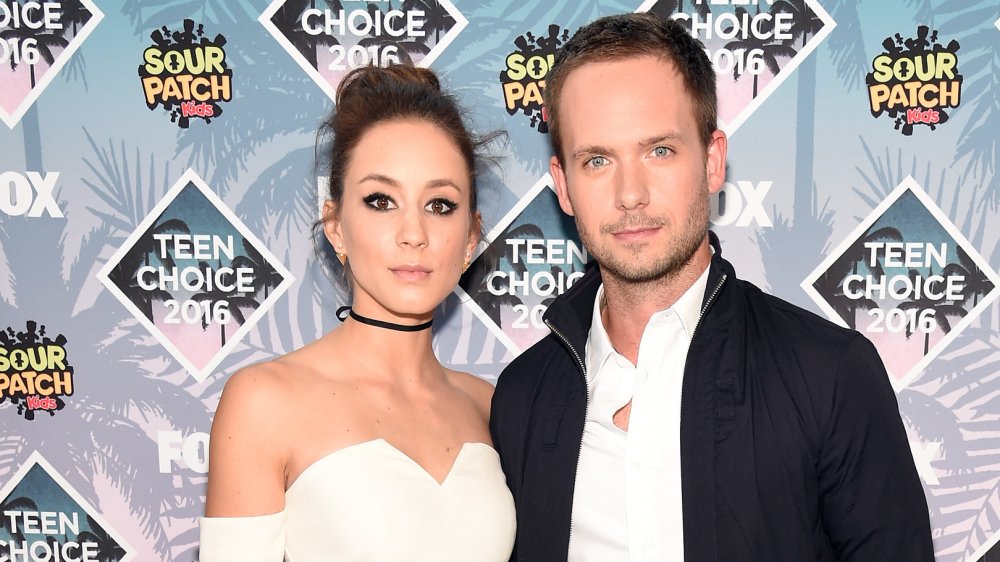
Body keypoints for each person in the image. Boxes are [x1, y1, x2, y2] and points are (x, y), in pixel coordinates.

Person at [489, 12, 934, 562]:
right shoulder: (521, 398)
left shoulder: (830, 375)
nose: (631, 193)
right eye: (598, 160)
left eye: (659, 150)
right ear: (563, 185)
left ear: (713, 161)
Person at [199, 64, 515, 561]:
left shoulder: (492, 406)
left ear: (471, 237)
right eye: (381, 200)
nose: (414, 233)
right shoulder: (264, 401)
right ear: (336, 226)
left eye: (439, 205)